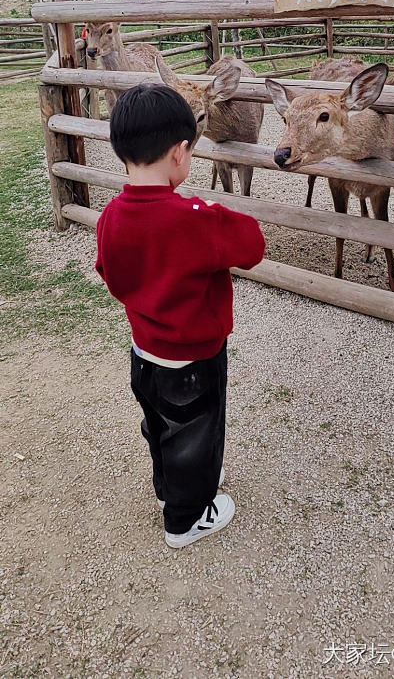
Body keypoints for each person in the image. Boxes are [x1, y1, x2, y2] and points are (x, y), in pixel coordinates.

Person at [95, 83, 265, 548]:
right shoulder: (195, 217)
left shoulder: (111, 215)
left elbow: (108, 272)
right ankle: (185, 519)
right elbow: (253, 245)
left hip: (144, 352)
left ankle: (169, 487)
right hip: (194, 358)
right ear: (180, 152)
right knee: (197, 429)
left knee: (159, 424)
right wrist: (212, 209)